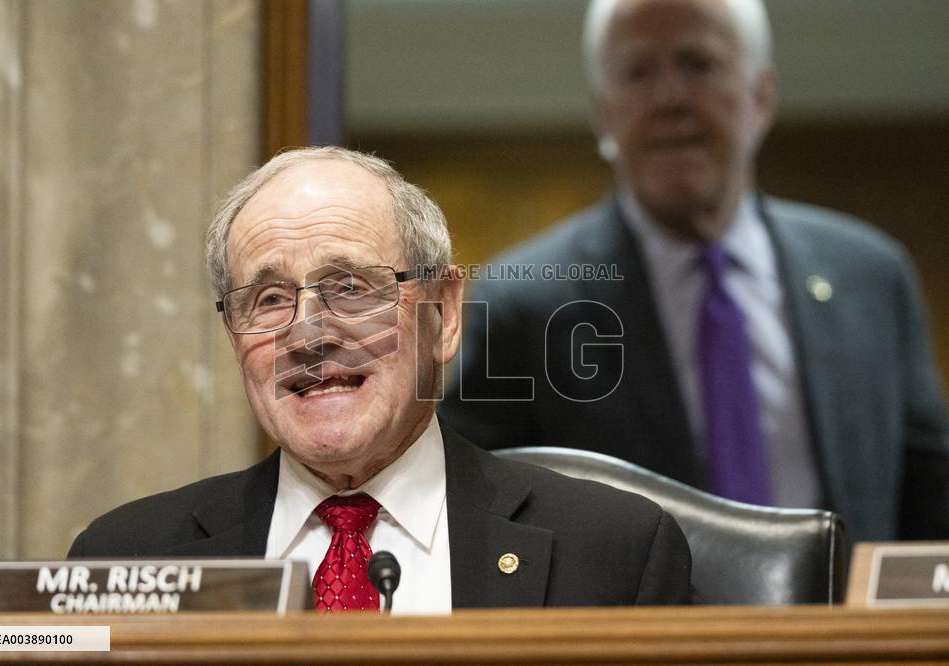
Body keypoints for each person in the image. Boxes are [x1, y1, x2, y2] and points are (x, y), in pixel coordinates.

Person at [68, 147, 692, 612]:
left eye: (350, 288)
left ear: (443, 314)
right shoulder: (125, 558)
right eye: (268, 299)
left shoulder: (617, 553)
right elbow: (11, 637)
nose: (308, 334)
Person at [439, 0, 949, 543]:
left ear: (761, 96)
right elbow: (474, 514)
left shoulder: (869, 277)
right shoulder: (527, 303)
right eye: (639, 72)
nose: (670, 99)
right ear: (604, 113)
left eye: (698, 64)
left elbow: (932, 501)